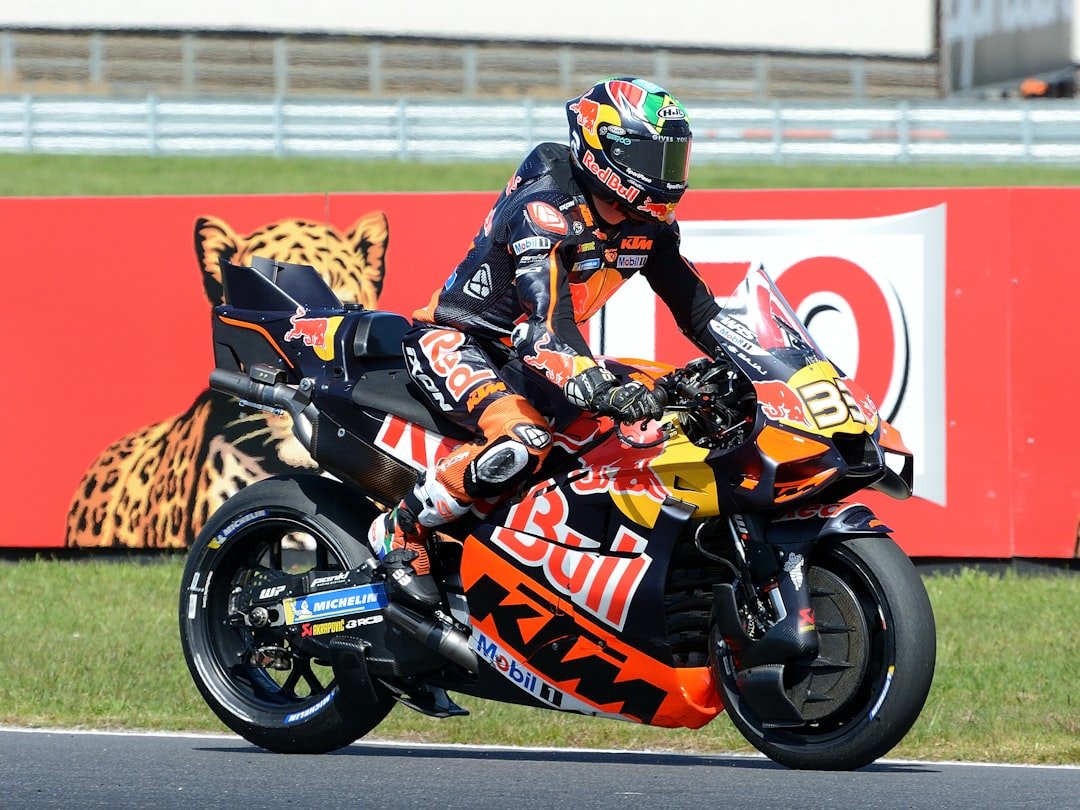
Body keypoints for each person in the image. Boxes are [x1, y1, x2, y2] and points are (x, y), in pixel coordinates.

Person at [368, 77, 728, 613]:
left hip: (533, 351)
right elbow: (546, 321)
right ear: (608, 150)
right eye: (655, 158)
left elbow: (700, 311)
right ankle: (402, 529)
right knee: (523, 441)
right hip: (461, 338)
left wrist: (775, 369)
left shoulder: (647, 226)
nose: (668, 175)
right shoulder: (545, 207)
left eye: (674, 159)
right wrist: (594, 382)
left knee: (661, 422)